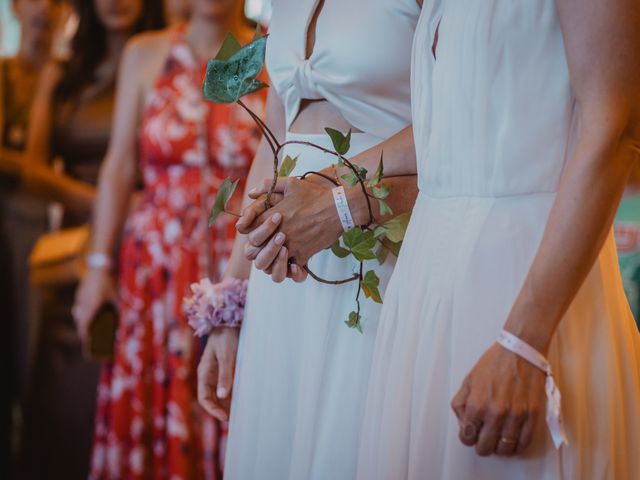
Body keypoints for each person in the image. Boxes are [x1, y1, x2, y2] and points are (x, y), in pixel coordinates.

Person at [352, 0, 640, 478]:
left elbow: (611, 128)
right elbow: (449, 126)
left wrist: (523, 342)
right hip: (427, 283)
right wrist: (332, 181)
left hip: (527, 280)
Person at [196, 0, 421, 478]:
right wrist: (231, 304)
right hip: (284, 258)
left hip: (377, 232)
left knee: (354, 433)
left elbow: (454, 126)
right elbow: (274, 139)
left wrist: (338, 197)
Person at [71, 0, 263, 477]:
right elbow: (119, 167)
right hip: (155, 268)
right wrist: (97, 268)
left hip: (240, 260)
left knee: (236, 391)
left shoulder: (270, 52)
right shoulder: (146, 52)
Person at [20, 1, 164, 479]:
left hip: (147, 246)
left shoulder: (167, 60)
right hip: (78, 251)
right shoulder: (65, 73)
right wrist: (103, 203)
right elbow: (34, 171)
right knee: (62, 395)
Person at [0, 0, 65, 475]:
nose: (44, 7)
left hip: (60, 230)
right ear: (15, 9)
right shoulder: (5, 75)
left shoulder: (72, 78)